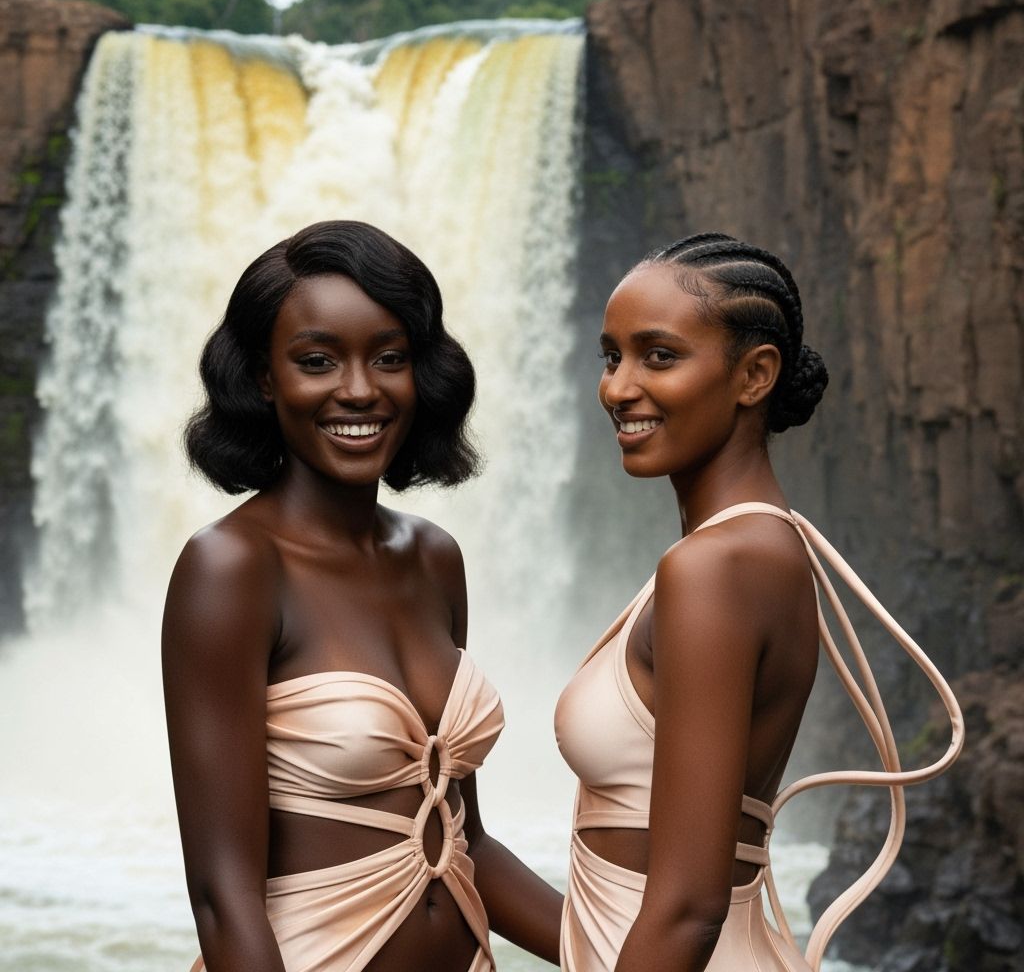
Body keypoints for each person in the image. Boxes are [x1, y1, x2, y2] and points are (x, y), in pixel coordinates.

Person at [555, 233, 964, 972]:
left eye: (659, 356)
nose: (618, 388)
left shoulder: (717, 567)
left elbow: (688, 907)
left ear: (755, 376)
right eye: (611, 356)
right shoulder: (754, 549)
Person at [163, 219, 562, 972]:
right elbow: (224, 897)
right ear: (261, 377)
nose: (359, 390)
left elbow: (461, 840)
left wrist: (637, 957)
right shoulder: (230, 568)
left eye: (390, 358)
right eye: (318, 361)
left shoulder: (434, 558)